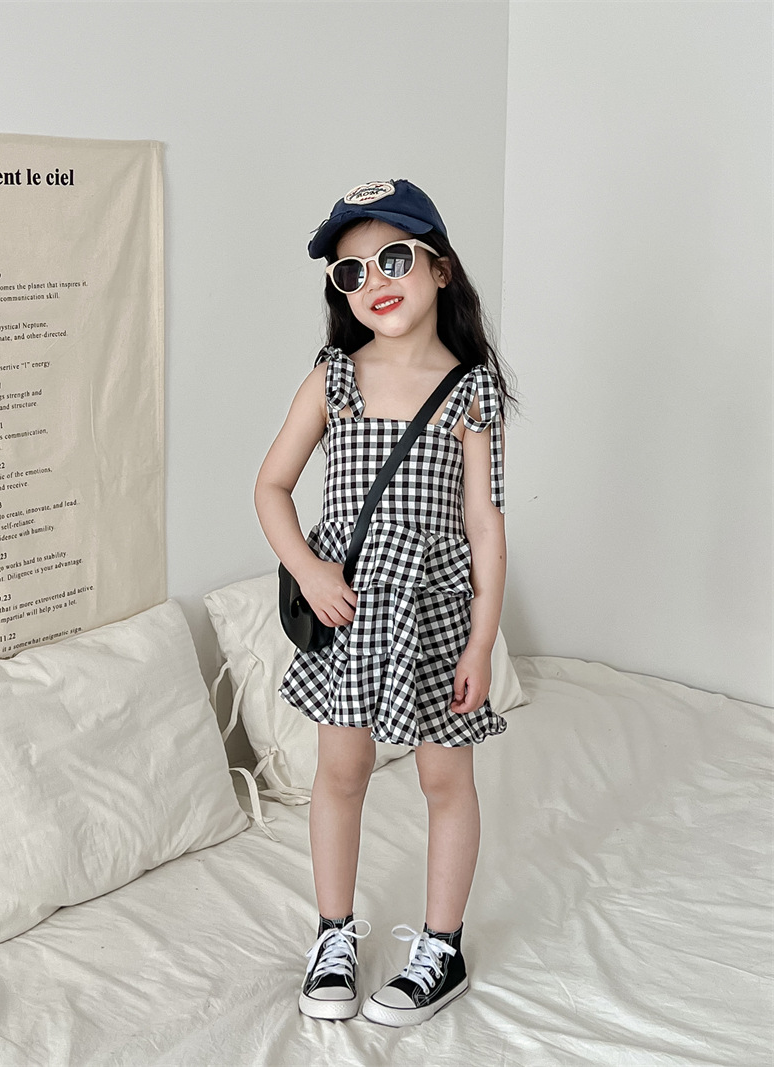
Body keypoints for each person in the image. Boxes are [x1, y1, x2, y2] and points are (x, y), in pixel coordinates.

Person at [254, 179, 520, 1028]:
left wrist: (480, 644)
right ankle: (333, 934)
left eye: (394, 257)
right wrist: (308, 570)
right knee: (342, 770)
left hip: (436, 610)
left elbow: (484, 526)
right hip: (351, 607)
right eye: (350, 271)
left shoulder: (471, 389)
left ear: (440, 268)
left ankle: (442, 946)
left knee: (445, 775)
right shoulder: (333, 377)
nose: (374, 279)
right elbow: (271, 486)